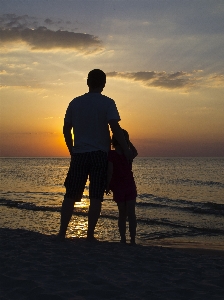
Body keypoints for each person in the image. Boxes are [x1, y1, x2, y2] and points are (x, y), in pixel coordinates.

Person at [58, 69, 133, 241]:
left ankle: (62, 232)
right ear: (103, 84)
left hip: (80, 154)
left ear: (87, 82)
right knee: (96, 196)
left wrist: (72, 150)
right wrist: (126, 149)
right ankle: (90, 235)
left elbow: (66, 129)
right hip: (100, 154)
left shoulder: (75, 102)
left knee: (70, 194)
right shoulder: (107, 103)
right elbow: (115, 128)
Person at [106, 129, 138, 245]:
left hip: (118, 186)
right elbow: (135, 152)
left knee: (122, 214)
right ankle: (133, 240)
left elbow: (110, 171)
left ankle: (123, 239)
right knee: (131, 214)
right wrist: (128, 142)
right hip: (129, 185)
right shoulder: (128, 154)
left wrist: (107, 186)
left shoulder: (112, 154)